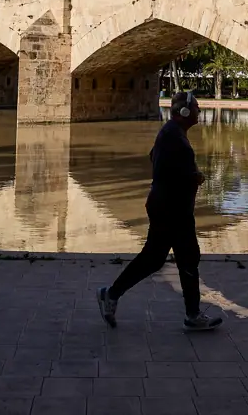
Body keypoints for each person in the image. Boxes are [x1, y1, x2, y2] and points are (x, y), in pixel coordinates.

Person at [97, 91, 223, 331]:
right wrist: (194, 177)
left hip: (168, 207)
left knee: (155, 259)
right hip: (172, 209)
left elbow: (153, 156)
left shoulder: (171, 133)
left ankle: (111, 294)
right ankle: (193, 315)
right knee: (186, 258)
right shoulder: (173, 136)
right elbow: (167, 168)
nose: (199, 111)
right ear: (184, 112)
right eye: (196, 107)